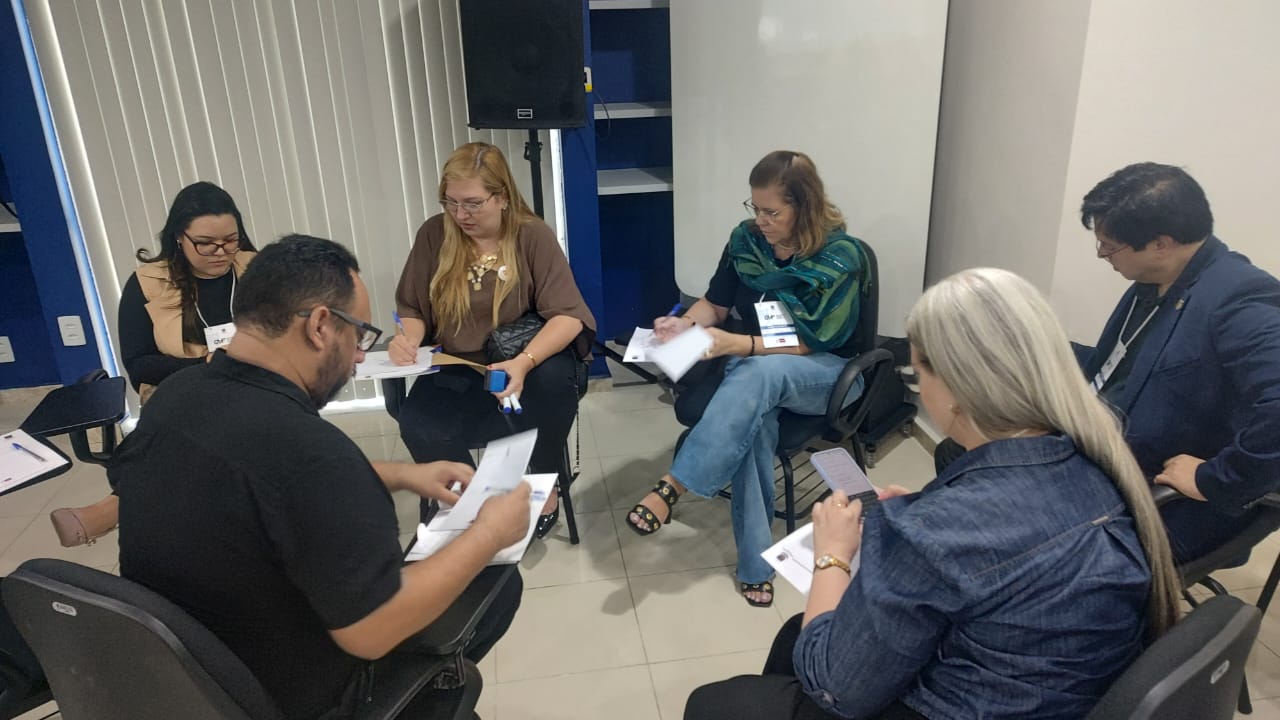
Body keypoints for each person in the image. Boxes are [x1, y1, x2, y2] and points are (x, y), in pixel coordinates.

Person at [686, 268, 1182, 720]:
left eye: (919, 374)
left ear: (958, 390)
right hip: (1051, 694)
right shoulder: (1099, 464)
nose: (919, 389)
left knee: (715, 703)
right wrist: (924, 516)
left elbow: (834, 686)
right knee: (793, 637)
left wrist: (832, 555)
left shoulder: (931, 533)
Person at [113, 235, 529, 720]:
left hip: (188, 679)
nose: (359, 357)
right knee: (497, 584)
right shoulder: (313, 453)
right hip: (300, 697)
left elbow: (254, 483)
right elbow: (371, 631)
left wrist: (401, 474)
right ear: (320, 326)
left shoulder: (175, 398)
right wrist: (489, 533)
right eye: (359, 336)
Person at [934, 162, 1280, 564]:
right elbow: (1117, 368)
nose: (1101, 255)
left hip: (1149, 489)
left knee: (985, 490)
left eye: (1110, 246)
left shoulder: (1239, 298)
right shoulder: (1154, 285)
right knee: (958, 451)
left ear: (1161, 244)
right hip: (1100, 446)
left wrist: (1214, 479)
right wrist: (1033, 346)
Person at [623, 150, 868, 607]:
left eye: (772, 212)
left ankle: (674, 484)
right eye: (755, 208)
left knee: (757, 370)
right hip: (757, 373)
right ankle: (756, 567)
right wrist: (685, 324)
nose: (761, 220)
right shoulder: (747, 242)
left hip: (827, 373)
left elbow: (814, 341)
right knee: (755, 424)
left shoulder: (840, 257)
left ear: (805, 206)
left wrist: (740, 345)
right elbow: (715, 304)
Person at [391, 141, 596, 537]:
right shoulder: (435, 234)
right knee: (418, 424)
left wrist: (523, 362)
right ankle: (474, 503)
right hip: (456, 367)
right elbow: (412, 307)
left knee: (553, 382)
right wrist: (409, 339)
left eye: (472, 204)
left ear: (501, 197)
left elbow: (568, 316)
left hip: (515, 367)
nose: (460, 215)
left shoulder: (531, 235)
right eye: (451, 202)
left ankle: (545, 480)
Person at [48, 181, 257, 547]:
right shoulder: (149, 282)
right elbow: (140, 365)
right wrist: (206, 365)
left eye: (230, 240)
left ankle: (116, 507)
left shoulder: (258, 270)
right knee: (196, 426)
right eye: (206, 243)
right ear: (179, 237)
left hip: (254, 386)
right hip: (181, 388)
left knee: (210, 432)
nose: (221, 252)